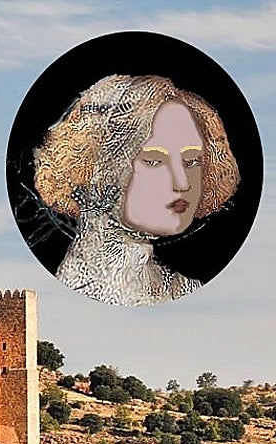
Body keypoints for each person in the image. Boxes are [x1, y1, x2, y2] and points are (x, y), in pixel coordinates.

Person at [34, 75, 239, 306]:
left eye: (191, 161)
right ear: (98, 169)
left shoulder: (183, 290)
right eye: (154, 161)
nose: (183, 183)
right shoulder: (74, 292)